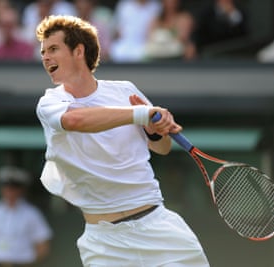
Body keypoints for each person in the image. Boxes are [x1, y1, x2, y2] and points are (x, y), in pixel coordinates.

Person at [35, 15, 210, 266]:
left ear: (78, 51)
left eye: (53, 49)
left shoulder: (125, 91)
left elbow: (162, 147)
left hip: (160, 230)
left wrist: (153, 129)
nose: (45, 57)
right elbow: (76, 121)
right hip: (105, 244)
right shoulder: (49, 103)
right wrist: (141, 114)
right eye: (43, 52)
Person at [0, 165, 53, 267]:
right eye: (6, 187)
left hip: (22, 263)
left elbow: (43, 245)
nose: (10, 191)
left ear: (21, 190)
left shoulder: (32, 214)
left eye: (14, 188)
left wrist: (31, 262)